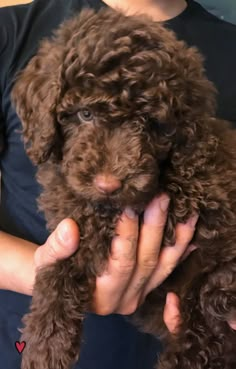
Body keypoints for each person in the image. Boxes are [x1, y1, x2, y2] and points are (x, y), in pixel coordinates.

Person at [0, 1, 235, 369]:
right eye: (86, 114)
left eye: (145, 122)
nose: (109, 176)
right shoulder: (12, 32)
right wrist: (46, 273)